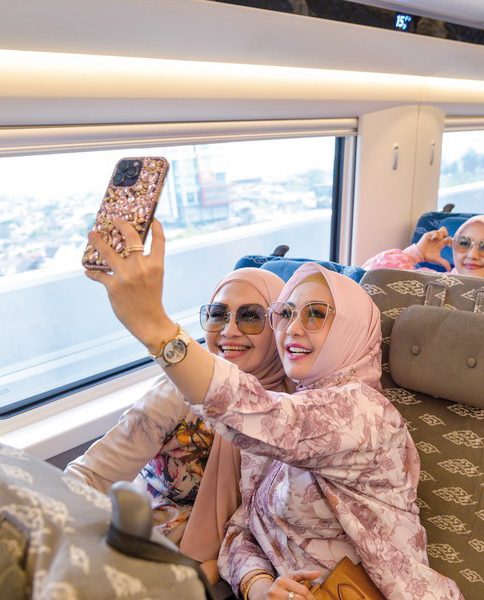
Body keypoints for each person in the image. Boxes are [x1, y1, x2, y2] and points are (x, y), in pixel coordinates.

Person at [84, 218, 463, 600]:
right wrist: (260, 585)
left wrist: (155, 327)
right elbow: (242, 528)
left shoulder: (364, 413)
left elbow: (258, 416)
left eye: (315, 314)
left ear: (349, 331)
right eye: (286, 314)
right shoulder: (287, 411)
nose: (293, 329)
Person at [65, 267, 292, 584]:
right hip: (145, 549)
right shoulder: (180, 392)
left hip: (230, 569)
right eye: (217, 315)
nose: (229, 331)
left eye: (250, 317)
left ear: (278, 326)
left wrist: (216, 572)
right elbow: (92, 473)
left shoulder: (296, 410)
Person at [362, 214, 484, 279]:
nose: (472, 255)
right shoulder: (435, 280)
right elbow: (371, 277)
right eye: (464, 243)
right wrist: (415, 254)